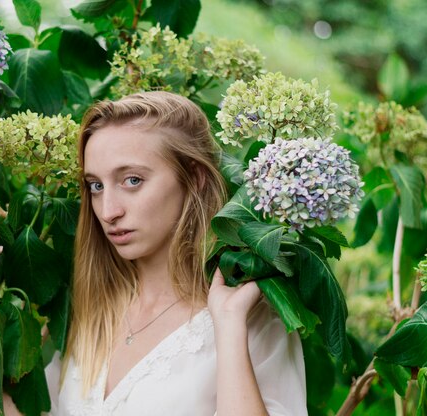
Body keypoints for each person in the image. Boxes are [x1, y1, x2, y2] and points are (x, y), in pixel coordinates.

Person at [43, 91, 307, 416]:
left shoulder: (253, 319)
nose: (108, 211)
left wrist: (228, 326)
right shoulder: (92, 309)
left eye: (132, 180)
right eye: (96, 186)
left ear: (194, 178)